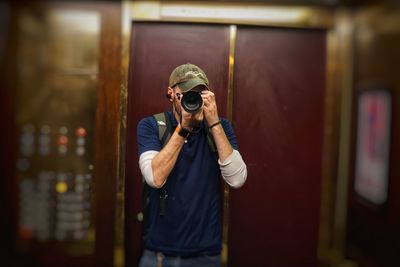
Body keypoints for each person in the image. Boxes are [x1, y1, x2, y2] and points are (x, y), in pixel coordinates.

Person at [137, 63, 247, 267]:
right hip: (159, 256)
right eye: (187, 93)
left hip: (206, 256)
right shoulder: (152, 126)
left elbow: (237, 179)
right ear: (171, 93)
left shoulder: (220, 127)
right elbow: (155, 177)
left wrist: (214, 123)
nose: (193, 99)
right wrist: (183, 128)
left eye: (200, 93)